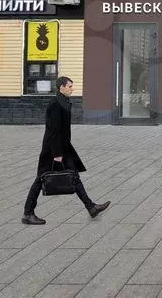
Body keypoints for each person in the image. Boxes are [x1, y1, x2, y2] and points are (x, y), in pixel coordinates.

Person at [22, 77, 110, 225]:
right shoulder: (55, 104)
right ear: (61, 87)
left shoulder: (63, 102)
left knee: (74, 177)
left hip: (63, 148)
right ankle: (28, 213)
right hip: (52, 150)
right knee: (40, 179)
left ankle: (91, 207)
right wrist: (57, 154)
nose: (72, 89)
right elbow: (53, 131)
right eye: (70, 86)